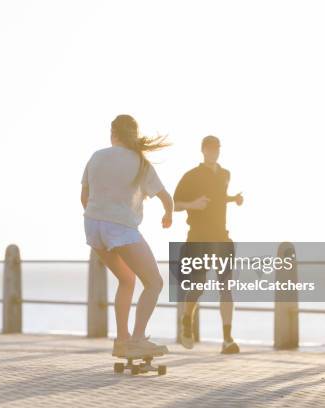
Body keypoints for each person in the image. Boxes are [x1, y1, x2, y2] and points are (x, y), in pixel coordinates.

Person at [81, 114, 173, 357]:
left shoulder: (96, 157)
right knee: (154, 283)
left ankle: (122, 341)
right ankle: (137, 339)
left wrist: (99, 218)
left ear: (113, 133)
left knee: (127, 279)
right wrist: (168, 215)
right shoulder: (140, 163)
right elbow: (166, 198)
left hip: (92, 226)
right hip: (120, 228)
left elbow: (84, 197)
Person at [173, 135, 243, 353]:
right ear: (203, 150)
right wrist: (193, 204)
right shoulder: (191, 176)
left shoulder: (225, 174)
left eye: (217, 148)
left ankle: (227, 339)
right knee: (198, 287)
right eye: (210, 149)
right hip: (198, 237)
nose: (214, 152)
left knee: (226, 288)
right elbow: (174, 204)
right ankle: (187, 320)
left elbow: (218, 197)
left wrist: (233, 199)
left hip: (221, 237)